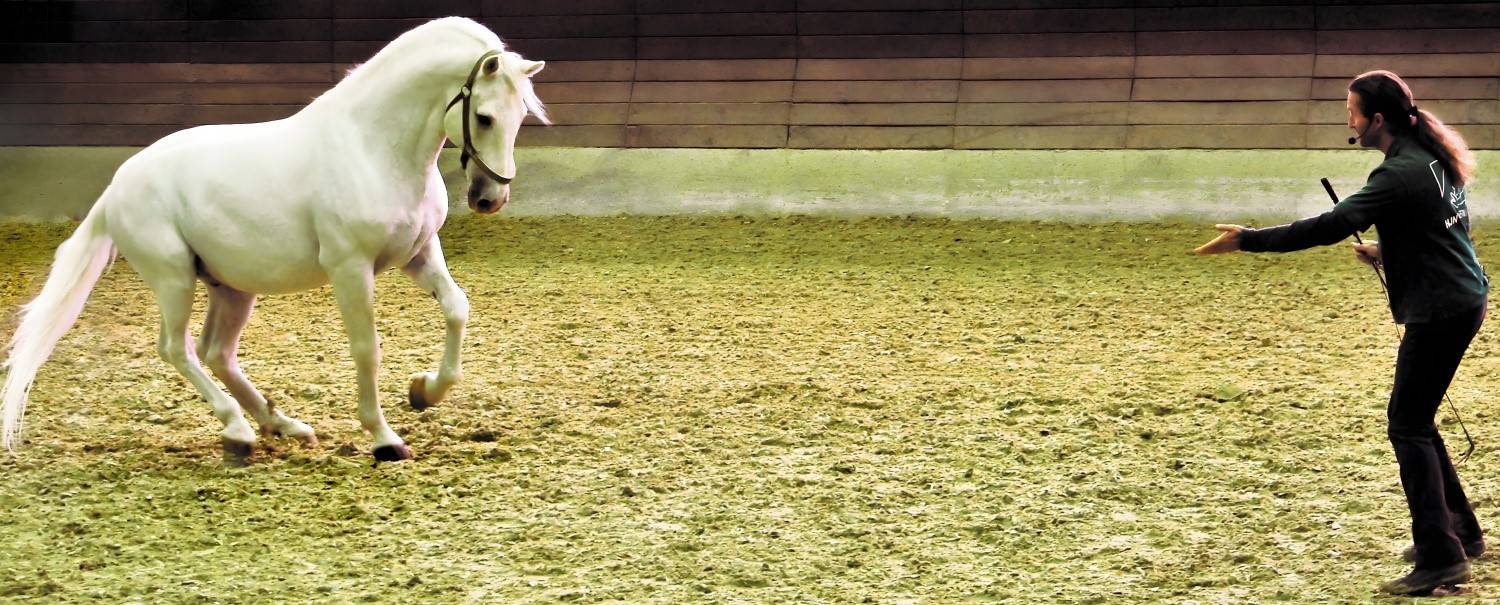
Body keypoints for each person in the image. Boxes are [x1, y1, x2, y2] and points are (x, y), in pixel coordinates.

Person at [1194, 70, 1485, 595]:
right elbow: (1446, 228)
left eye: (1352, 112)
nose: (1347, 122)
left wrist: (1249, 241)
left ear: (1376, 120)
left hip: (1443, 309)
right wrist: (1388, 251)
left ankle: (1443, 559)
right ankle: (1460, 531)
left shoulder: (1396, 175)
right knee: (1418, 418)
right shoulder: (1428, 161)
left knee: (1407, 426)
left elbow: (1328, 225)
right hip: (1460, 299)